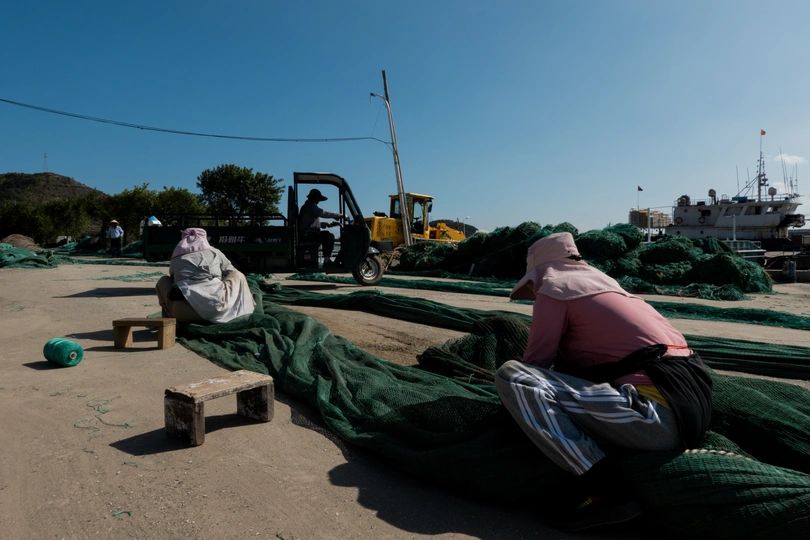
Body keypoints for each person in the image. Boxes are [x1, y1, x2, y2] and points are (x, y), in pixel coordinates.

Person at [494, 232, 713, 531]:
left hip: (656, 417)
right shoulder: (614, 290)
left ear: (539, 272)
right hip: (691, 409)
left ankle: (605, 489)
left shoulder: (555, 288)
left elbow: (535, 364)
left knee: (513, 376)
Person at [155, 228, 256, 324]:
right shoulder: (215, 252)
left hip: (183, 313)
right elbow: (231, 271)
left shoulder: (177, 257)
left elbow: (173, 278)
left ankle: (170, 322)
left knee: (163, 281)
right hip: (216, 310)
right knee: (238, 275)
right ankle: (242, 307)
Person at [298, 188, 345, 264]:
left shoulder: (308, 206)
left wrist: (324, 224)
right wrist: (339, 215)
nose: (318, 200)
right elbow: (323, 213)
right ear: (314, 198)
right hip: (307, 235)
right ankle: (327, 261)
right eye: (318, 198)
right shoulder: (310, 206)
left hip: (309, 233)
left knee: (326, 234)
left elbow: (311, 224)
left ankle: (327, 259)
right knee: (329, 236)